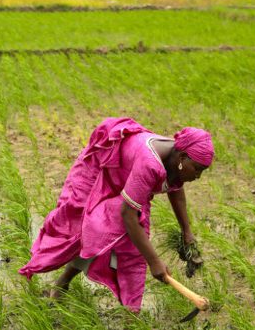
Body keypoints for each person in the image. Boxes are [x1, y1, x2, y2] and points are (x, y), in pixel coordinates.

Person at [18, 117, 214, 313]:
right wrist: (154, 262)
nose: (198, 176)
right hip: (99, 172)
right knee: (85, 230)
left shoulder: (174, 159)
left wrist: (186, 231)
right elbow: (128, 215)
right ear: (181, 159)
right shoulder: (151, 162)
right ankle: (63, 281)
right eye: (197, 169)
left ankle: (131, 312)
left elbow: (176, 191)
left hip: (128, 184)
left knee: (132, 249)